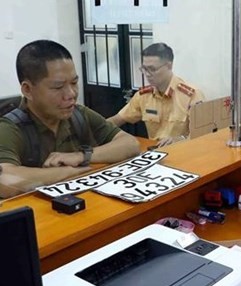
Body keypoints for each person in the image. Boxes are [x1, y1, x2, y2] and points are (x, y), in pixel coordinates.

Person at [0, 40, 140, 199]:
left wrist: (82, 156)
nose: (71, 94)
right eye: (58, 87)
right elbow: (5, 181)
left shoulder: (78, 114)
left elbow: (130, 144)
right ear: (27, 90)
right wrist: (66, 172)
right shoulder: (9, 128)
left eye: (74, 83)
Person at [107, 42, 205, 147]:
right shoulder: (143, 96)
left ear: (169, 66)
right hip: (155, 152)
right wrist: (93, 131)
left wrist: (181, 139)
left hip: (184, 152)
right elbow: (117, 119)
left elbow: (203, 134)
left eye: (152, 69)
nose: (147, 74)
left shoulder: (191, 96)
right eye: (144, 69)